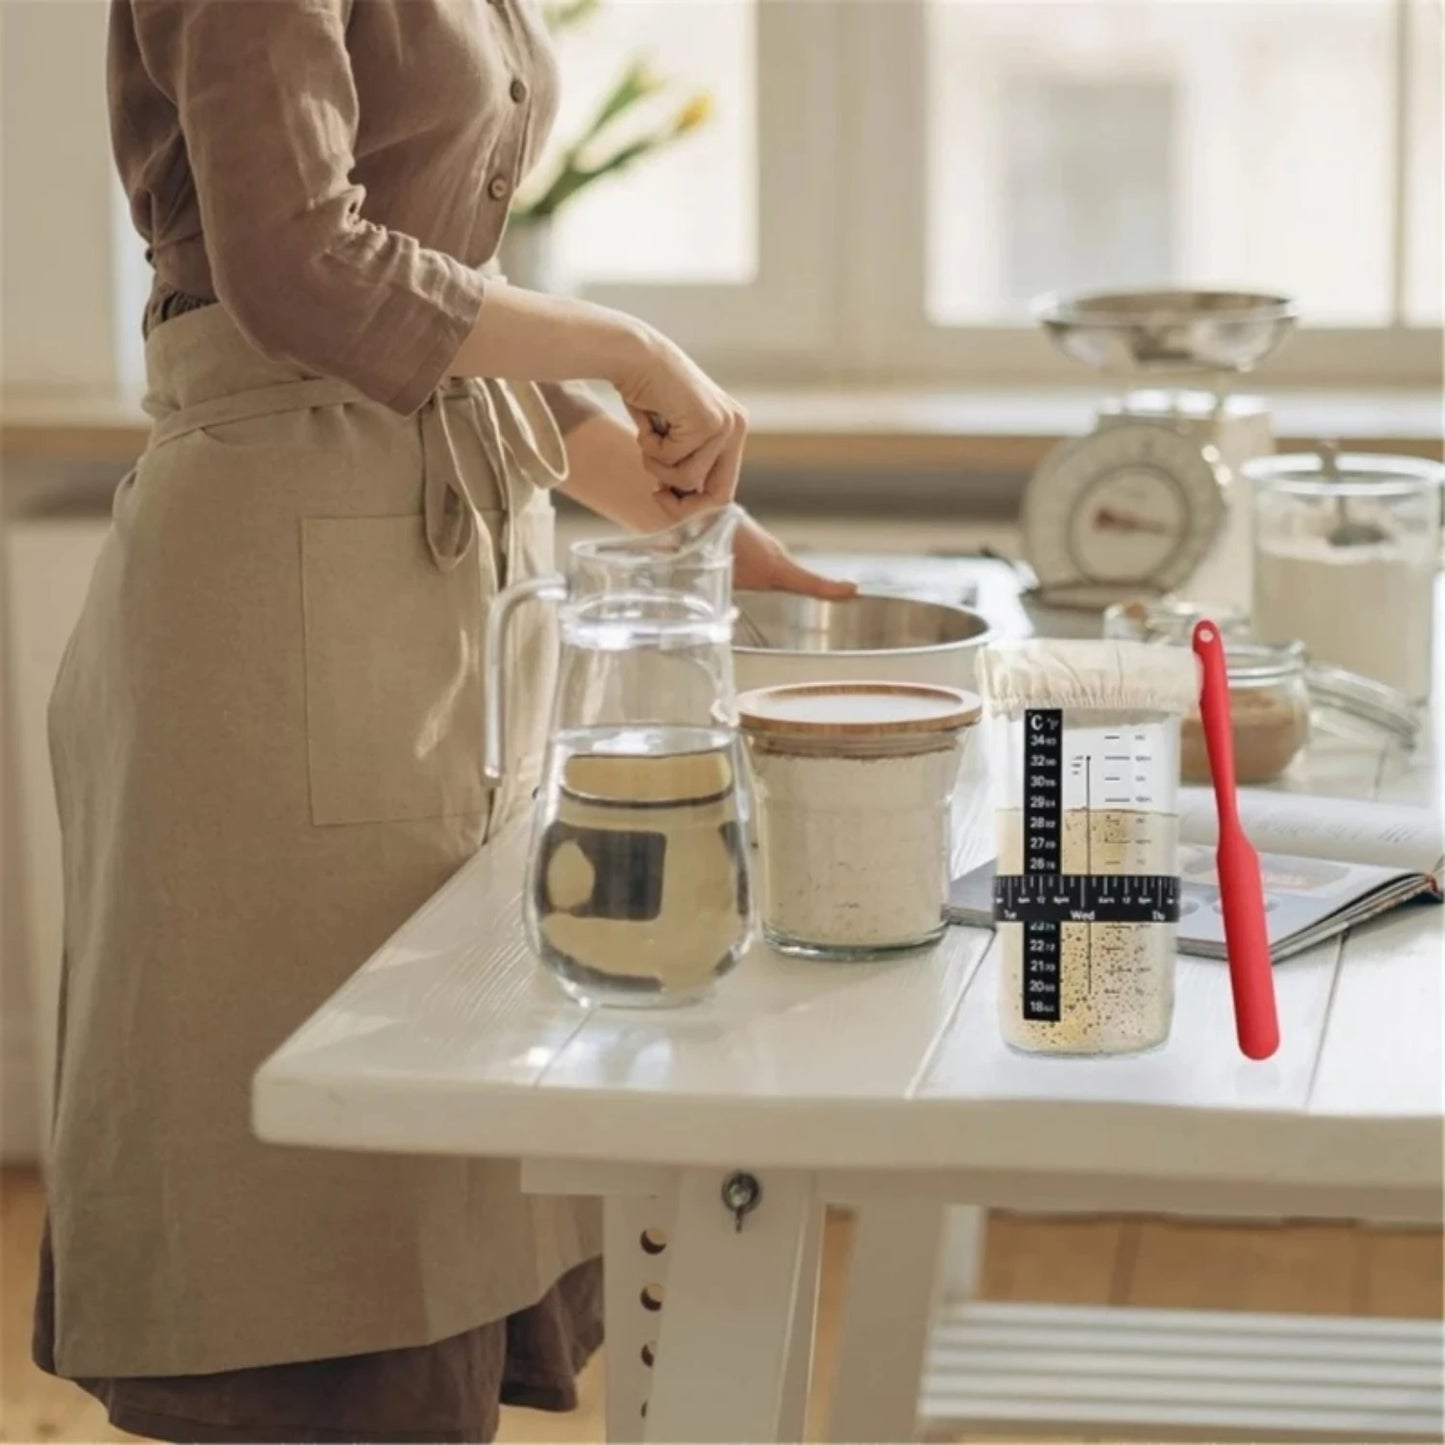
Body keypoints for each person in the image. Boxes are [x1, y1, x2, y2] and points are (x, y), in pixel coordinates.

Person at [35, 2, 852, 1440]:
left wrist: (659, 503)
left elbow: (419, 291)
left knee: (417, 1177)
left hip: (409, 573)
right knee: (310, 1244)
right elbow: (299, 268)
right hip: (280, 600)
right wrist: (631, 346)